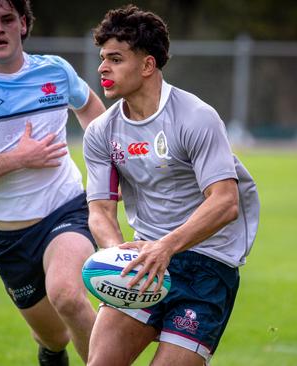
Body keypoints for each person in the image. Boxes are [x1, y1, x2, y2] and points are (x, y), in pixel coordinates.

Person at [83, 5, 260, 366]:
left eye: (115, 59)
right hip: (145, 261)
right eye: (103, 58)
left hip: (207, 266)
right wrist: (120, 258)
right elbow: (100, 211)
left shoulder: (195, 117)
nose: (102, 68)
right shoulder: (101, 131)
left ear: (147, 65)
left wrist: (166, 247)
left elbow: (225, 202)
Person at [0, 0, 106, 365]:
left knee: (68, 295)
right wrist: (18, 158)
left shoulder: (55, 71)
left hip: (67, 210)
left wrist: (107, 161)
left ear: (23, 24)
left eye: (7, 19)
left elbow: (91, 109)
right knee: (54, 337)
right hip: (10, 239)